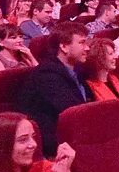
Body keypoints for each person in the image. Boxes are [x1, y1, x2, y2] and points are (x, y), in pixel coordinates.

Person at [16, 22, 90, 156]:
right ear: (64, 47)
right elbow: (73, 111)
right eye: (82, 43)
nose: (87, 48)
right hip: (56, 144)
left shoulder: (77, 70)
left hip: (77, 133)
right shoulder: (47, 75)